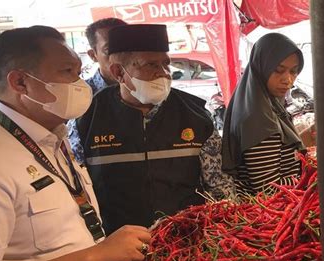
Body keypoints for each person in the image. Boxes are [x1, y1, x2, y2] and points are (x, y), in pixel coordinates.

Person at [0, 26, 151, 261]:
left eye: (79, 71)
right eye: (67, 72)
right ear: (21, 82)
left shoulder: (50, 135)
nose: (79, 82)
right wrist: (96, 256)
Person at [75, 24, 235, 234]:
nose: (163, 74)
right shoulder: (87, 119)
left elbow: (220, 187)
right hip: (116, 249)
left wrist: (222, 233)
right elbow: (78, 192)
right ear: (118, 72)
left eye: (165, 64)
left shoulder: (196, 117)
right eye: (150, 65)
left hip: (186, 244)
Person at [221, 33, 305, 198]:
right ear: (261, 67)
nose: (287, 79)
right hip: (269, 213)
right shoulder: (259, 118)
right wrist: (310, 178)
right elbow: (269, 190)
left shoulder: (263, 103)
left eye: (294, 71)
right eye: (278, 70)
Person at [68, 18, 127, 164]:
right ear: (93, 55)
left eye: (127, 47)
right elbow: (77, 161)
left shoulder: (153, 93)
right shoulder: (80, 96)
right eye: (109, 50)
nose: (121, 56)